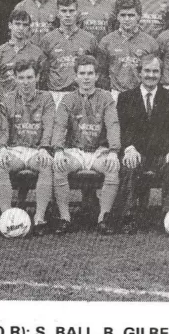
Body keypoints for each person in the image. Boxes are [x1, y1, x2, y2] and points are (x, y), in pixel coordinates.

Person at [116, 54, 169, 234]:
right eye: (147, 71)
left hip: (161, 154)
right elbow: (122, 129)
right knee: (129, 165)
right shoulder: (126, 98)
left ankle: (167, 216)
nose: (151, 75)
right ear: (139, 73)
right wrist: (129, 148)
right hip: (137, 153)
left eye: (155, 71)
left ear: (161, 74)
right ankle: (128, 217)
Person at [52, 55, 121, 235]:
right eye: (82, 73)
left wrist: (114, 151)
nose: (86, 78)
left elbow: (113, 124)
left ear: (97, 76)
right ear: (75, 76)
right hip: (75, 151)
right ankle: (65, 218)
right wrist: (58, 150)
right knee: (59, 166)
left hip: (99, 151)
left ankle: (103, 218)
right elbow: (59, 126)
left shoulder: (106, 98)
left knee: (112, 167)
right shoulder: (68, 99)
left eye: (90, 73)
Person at [0, 59, 55, 236]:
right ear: (15, 78)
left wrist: (45, 147)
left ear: (38, 77)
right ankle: (6, 217)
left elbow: (49, 125)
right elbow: (3, 127)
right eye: (21, 78)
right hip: (15, 150)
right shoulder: (7, 99)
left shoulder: (46, 98)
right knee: (1, 163)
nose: (26, 82)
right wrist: (3, 147)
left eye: (30, 77)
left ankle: (40, 218)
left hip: (37, 149)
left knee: (46, 163)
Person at [98, 0, 159, 101]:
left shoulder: (150, 43)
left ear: (139, 16)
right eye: (123, 15)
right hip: (116, 95)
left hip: (142, 95)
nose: (127, 19)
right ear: (117, 16)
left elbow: (156, 73)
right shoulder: (106, 42)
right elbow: (102, 74)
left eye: (131, 15)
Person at [40, 0, 98, 95]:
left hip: (82, 93)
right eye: (63, 11)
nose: (67, 15)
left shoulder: (90, 39)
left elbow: (96, 69)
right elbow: (43, 71)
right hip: (56, 93)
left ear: (77, 13)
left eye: (71, 11)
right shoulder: (47, 39)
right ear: (58, 13)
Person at [0, 9, 45, 97]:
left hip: (29, 105)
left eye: (25, 25)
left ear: (29, 27)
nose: (21, 28)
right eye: (17, 24)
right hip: (5, 104)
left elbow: (41, 84)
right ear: (10, 25)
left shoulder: (37, 53)